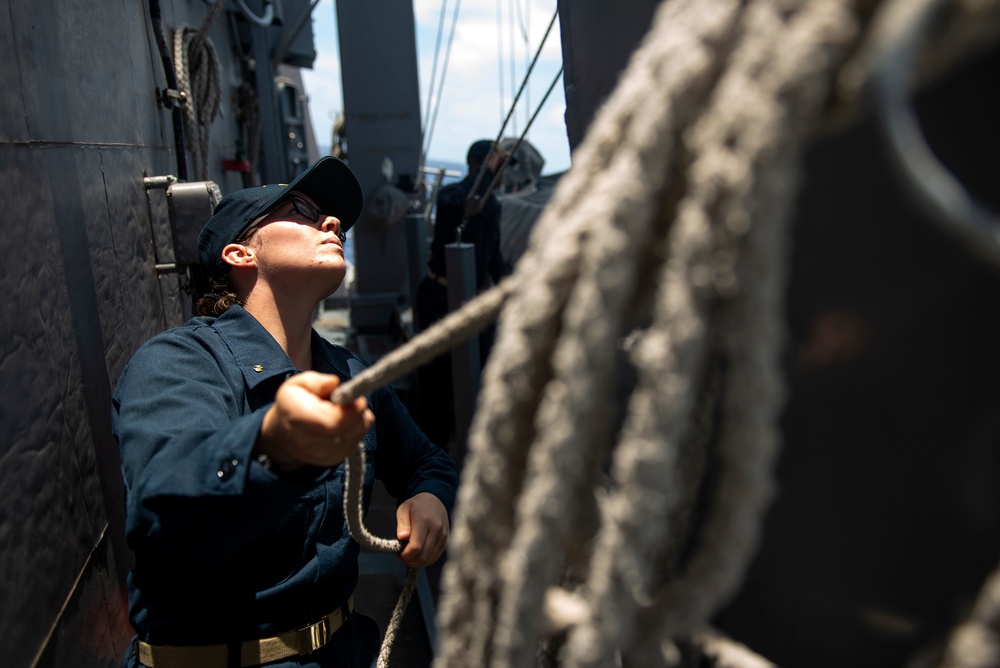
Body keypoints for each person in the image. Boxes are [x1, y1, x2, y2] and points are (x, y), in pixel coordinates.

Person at [111, 156, 458, 668]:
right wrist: (273, 447)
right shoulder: (177, 363)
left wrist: (431, 497)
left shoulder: (349, 372)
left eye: (331, 217)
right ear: (239, 253)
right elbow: (164, 504)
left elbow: (428, 461)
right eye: (302, 210)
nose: (332, 223)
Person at [413, 140, 511, 449]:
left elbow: (492, 255)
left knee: (479, 376)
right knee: (435, 383)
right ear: (478, 165)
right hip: (440, 299)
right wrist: (484, 173)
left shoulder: (492, 203)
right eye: (499, 167)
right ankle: (434, 455)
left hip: (475, 303)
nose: (504, 174)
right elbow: (462, 205)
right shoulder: (453, 197)